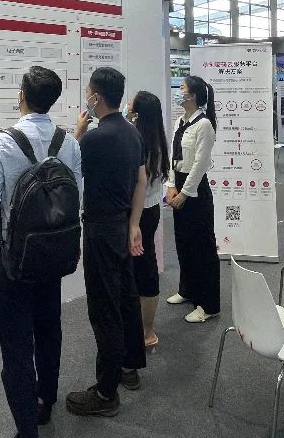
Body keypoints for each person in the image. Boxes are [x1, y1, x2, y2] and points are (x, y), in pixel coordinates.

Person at [0, 66, 83, 438]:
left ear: (21, 96)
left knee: (16, 349)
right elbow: (76, 195)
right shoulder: (68, 142)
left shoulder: (2, 142)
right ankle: (44, 400)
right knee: (49, 327)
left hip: (9, 258)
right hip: (51, 253)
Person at [66, 67, 147, 417]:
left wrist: (77, 134)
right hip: (122, 225)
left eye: (88, 92)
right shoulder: (132, 133)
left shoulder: (94, 140)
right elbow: (140, 181)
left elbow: (65, 173)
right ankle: (129, 367)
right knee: (125, 299)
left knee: (104, 309)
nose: (86, 97)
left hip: (101, 230)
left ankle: (105, 392)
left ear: (96, 97)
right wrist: (134, 224)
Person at [165, 75, 221, 323]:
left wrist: (185, 193)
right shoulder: (180, 121)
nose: (178, 91)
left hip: (195, 191)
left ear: (193, 95)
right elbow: (173, 156)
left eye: (182, 88)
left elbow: (200, 164)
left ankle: (208, 305)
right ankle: (187, 290)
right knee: (183, 242)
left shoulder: (204, 124)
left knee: (202, 247)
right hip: (178, 185)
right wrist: (170, 185)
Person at [126, 90, 170, 348]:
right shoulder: (157, 138)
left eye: (131, 103)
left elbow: (134, 183)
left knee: (138, 266)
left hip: (137, 211)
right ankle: (147, 330)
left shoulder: (136, 140)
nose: (127, 104)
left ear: (137, 112)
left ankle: (143, 332)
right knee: (146, 264)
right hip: (151, 209)